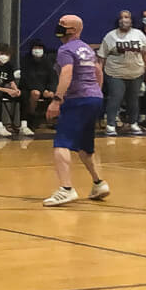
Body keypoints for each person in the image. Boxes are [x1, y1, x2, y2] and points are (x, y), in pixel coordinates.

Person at [43, 15, 110, 206]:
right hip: (94, 98)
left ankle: (66, 189)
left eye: (64, 26)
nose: (60, 28)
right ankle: (99, 183)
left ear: (73, 30)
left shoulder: (65, 50)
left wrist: (57, 99)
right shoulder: (87, 49)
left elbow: (67, 72)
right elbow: (98, 71)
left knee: (61, 143)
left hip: (78, 99)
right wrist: (96, 91)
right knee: (84, 145)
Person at [97, 10, 146, 137]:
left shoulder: (139, 34)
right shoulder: (110, 36)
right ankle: (111, 125)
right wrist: (99, 75)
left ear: (131, 20)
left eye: (127, 17)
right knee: (115, 97)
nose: (124, 20)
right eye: (121, 17)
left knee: (133, 99)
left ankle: (133, 123)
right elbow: (102, 56)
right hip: (115, 73)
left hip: (136, 73)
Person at [17, 39, 57, 136]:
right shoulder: (26, 61)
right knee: (35, 94)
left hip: (44, 89)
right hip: (28, 88)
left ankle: (55, 121)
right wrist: (41, 90)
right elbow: (26, 79)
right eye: (35, 48)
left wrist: (50, 89)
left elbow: (53, 77)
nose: (37, 50)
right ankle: (30, 119)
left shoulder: (47, 62)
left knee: (59, 95)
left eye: (40, 48)